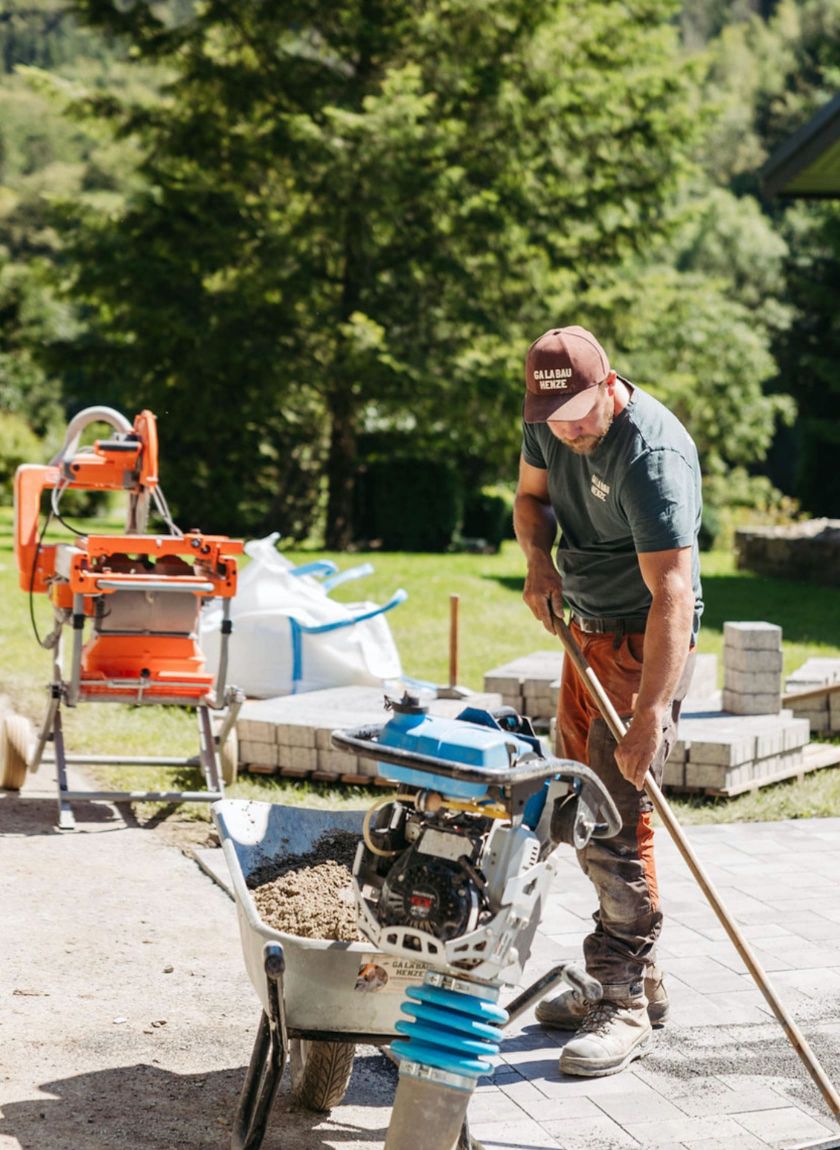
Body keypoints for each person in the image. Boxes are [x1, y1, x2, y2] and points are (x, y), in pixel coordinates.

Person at [513, 324, 703, 1078]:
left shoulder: (651, 456)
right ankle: (638, 976)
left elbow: (674, 594)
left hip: (643, 641)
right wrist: (537, 562)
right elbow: (532, 502)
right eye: (553, 419)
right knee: (578, 807)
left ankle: (621, 1001)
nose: (567, 430)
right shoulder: (547, 420)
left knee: (613, 823)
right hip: (582, 628)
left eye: (581, 414)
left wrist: (651, 712)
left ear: (609, 385)